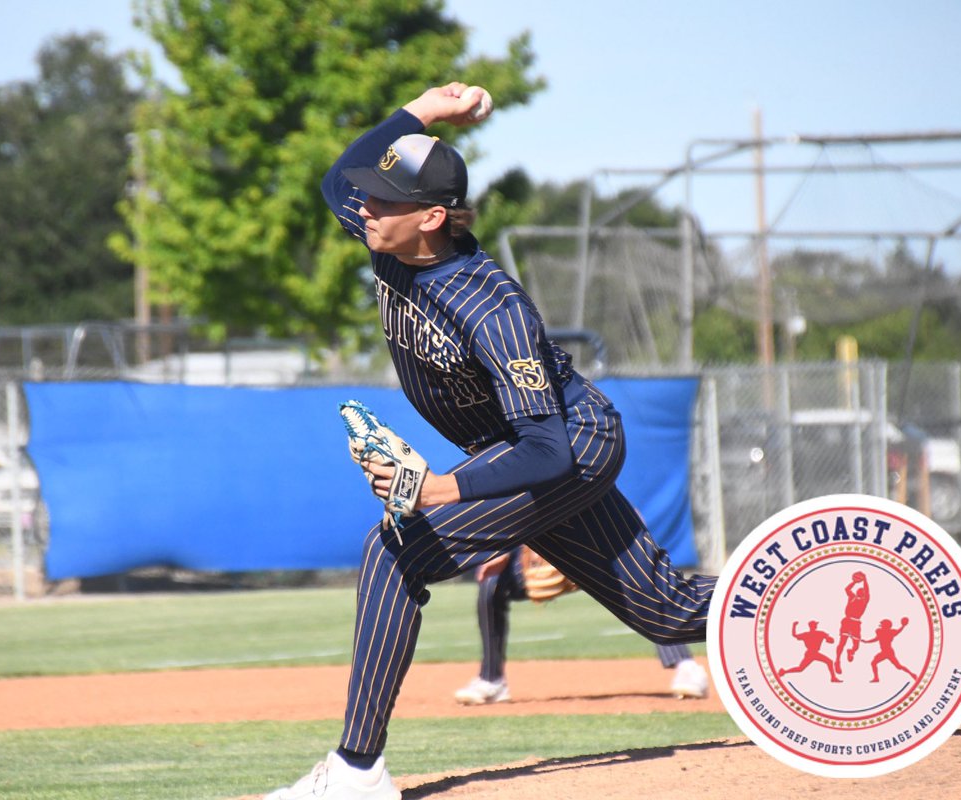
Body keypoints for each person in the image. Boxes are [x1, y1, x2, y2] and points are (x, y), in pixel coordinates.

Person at [265, 82, 716, 800]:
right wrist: (424, 109)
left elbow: (549, 451)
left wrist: (439, 488)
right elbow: (333, 180)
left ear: (432, 216)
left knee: (393, 550)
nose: (365, 208)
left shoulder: (493, 307)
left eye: (383, 199)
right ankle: (799, 588)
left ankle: (356, 772)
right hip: (522, 452)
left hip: (571, 444)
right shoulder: (390, 239)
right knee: (667, 610)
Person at [453, 547, 709, 705]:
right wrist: (504, 549)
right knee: (492, 583)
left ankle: (686, 666)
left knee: (638, 586)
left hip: (587, 541)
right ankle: (491, 680)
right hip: (536, 548)